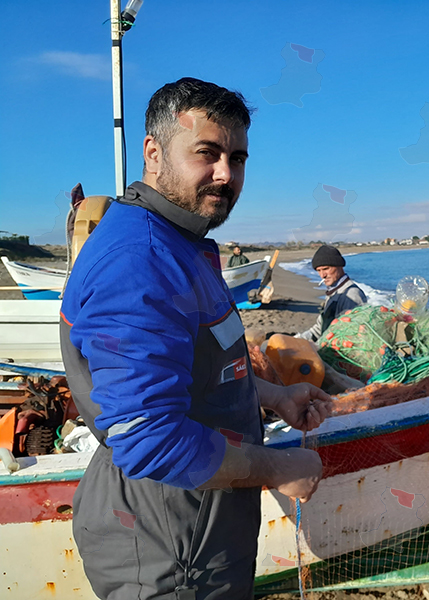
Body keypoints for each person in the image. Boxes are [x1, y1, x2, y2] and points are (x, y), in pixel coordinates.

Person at [60, 77, 332, 599]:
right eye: (206, 153)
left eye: (239, 158)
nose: (226, 174)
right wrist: (277, 466)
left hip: (201, 523)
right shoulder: (140, 260)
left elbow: (207, 367)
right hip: (171, 544)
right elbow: (148, 437)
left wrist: (273, 396)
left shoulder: (182, 243)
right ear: (154, 151)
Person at [296, 244, 367, 343]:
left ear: (339, 266)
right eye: (319, 271)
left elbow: (352, 336)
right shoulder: (333, 293)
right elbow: (319, 329)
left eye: (326, 269)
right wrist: (296, 339)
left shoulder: (352, 295)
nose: (322, 275)